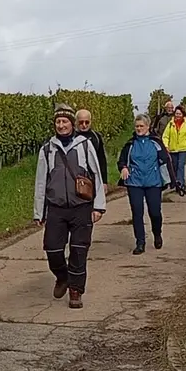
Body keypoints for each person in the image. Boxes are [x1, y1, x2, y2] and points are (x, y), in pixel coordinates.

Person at [33, 104, 109, 309]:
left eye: (65, 121)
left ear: (71, 124)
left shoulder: (84, 145)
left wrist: (98, 206)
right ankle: (62, 276)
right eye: (58, 122)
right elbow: (41, 181)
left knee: (78, 250)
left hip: (81, 207)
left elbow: (96, 174)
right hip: (56, 207)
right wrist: (39, 211)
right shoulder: (47, 149)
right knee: (52, 248)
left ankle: (76, 291)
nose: (61, 125)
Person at [117, 114, 170, 254]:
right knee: (137, 212)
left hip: (153, 182)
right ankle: (140, 242)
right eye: (137, 126)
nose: (139, 128)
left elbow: (165, 160)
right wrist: (123, 168)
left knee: (155, 212)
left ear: (148, 126)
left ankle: (157, 233)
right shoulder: (130, 144)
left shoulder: (156, 142)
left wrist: (172, 180)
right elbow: (122, 160)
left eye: (142, 126)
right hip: (134, 182)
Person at [161, 105, 186, 195]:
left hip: (184, 149)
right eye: (176, 113)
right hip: (173, 149)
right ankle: (176, 182)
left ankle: (180, 183)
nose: (178, 115)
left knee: (181, 165)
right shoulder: (170, 124)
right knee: (174, 166)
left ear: (183, 114)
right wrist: (166, 146)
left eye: (179, 114)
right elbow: (165, 136)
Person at [74, 109, 109, 188]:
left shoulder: (96, 137)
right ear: (76, 122)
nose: (84, 125)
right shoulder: (71, 137)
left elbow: (102, 159)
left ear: (90, 121)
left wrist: (104, 181)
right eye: (81, 122)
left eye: (87, 122)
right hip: (75, 178)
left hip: (93, 178)